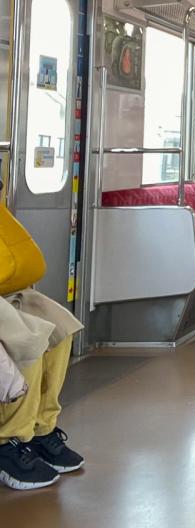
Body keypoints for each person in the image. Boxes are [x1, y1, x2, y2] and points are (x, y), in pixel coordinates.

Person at [0, 192, 84, 490]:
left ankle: (39, 428)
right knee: (28, 344)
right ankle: (7, 440)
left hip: (9, 292)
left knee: (59, 331)